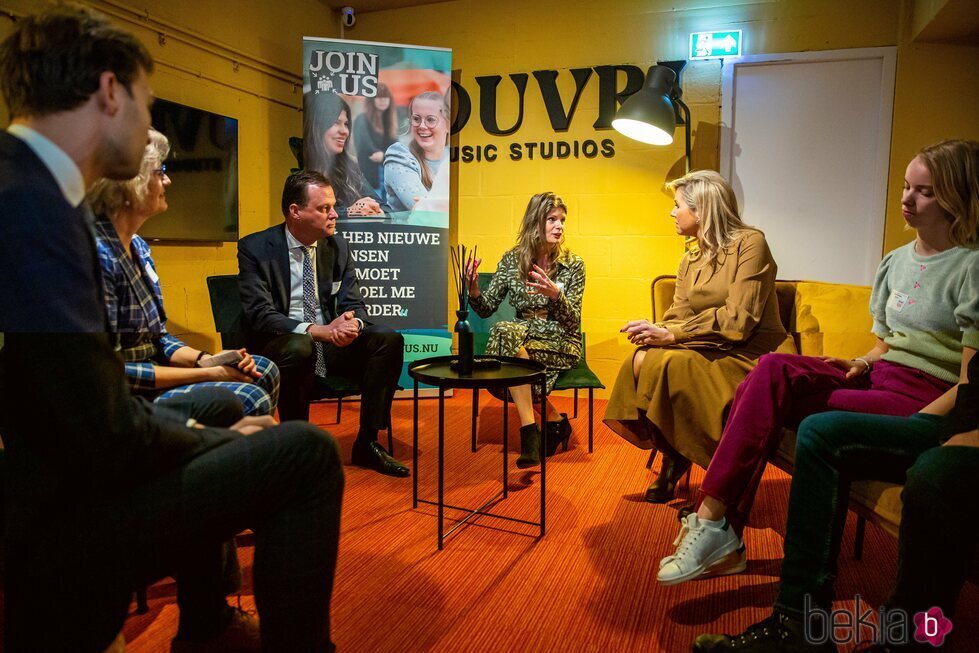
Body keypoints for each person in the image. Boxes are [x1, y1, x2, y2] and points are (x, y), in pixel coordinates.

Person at [0, 6, 343, 652]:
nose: (152, 127)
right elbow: (103, 430)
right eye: (147, 103)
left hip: (66, 477)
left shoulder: (28, 187)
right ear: (108, 92)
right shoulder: (34, 208)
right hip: (66, 518)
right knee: (307, 454)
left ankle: (206, 620)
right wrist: (207, 435)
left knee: (245, 424)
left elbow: (80, 401)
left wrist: (202, 426)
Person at [658, 140, 979, 590]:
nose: (907, 199)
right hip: (879, 376)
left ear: (955, 198)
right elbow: (886, 344)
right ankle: (716, 526)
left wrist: (923, 423)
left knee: (774, 402)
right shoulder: (895, 262)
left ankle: (715, 522)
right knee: (771, 370)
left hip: (926, 394)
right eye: (906, 187)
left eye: (923, 192)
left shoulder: (971, 266)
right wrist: (861, 362)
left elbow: (970, 382)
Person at [602, 170, 793, 509]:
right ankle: (675, 452)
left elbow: (740, 319)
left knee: (671, 364)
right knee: (641, 357)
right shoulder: (690, 258)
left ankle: (716, 481)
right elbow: (679, 315)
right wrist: (655, 329)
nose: (672, 213)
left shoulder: (751, 244)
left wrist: (673, 334)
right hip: (707, 345)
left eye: (677, 206)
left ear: (702, 209)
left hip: (750, 350)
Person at [89, 127, 280, 416]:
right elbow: (107, 371)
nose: (168, 179)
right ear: (130, 182)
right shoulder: (97, 256)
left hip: (154, 372)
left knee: (263, 369)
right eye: (159, 171)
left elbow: (158, 338)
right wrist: (208, 374)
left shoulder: (138, 247)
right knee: (249, 395)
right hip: (125, 396)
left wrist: (208, 360)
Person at [237, 169, 409, 477]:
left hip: (328, 343)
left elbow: (353, 302)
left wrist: (350, 323)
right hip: (282, 342)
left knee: (388, 338)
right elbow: (259, 313)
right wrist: (318, 331)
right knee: (301, 344)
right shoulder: (255, 248)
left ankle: (368, 441)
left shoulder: (337, 247)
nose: (334, 215)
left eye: (333, 206)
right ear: (296, 211)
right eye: (323, 208)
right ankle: (297, 444)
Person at [465, 192, 585, 467]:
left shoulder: (573, 264)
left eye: (562, 220)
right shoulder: (512, 260)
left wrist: (557, 296)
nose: (560, 226)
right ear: (535, 222)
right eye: (552, 219)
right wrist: (473, 288)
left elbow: (573, 322)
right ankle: (541, 424)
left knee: (505, 349)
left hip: (560, 341)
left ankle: (536, 430)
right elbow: (485, 308)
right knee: (508, 339)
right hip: (521, 337)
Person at [304, 90, 383, 219]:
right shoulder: (297, 165)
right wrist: (348, 212)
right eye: (336, 123)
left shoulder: (350, 168)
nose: (344, 131)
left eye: (346, 124)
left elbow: (384, 207)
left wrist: (377, 211)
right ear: (315, 125)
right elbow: (306, 211)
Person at [383, 90, 450, 214]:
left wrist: (431, 204)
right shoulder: (399, 155)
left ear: (448, 124)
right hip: (409, 232)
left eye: (430, 119)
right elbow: (426, 212)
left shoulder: (453, 157)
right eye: (416, 119)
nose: (422, 126)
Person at [353, 83, 397, 198]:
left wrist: (383, 155)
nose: (383, 100)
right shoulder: (362, 119)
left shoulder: (389, 122)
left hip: (387, 175)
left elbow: (395, 145)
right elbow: (364, 144)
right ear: (371, 99)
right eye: (379, 96)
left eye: (386, 97)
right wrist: (382, 154)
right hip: (369, 176)